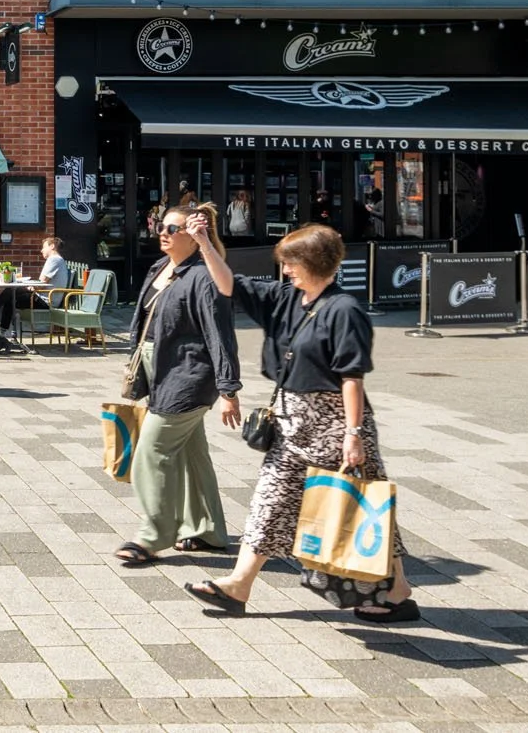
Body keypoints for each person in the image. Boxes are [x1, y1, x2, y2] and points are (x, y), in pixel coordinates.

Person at [192, 224, 420, 624]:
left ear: (314, 263)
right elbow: (229, 284)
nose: (286, 271)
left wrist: (353, 435)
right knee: (269, 501)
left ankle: (398, 592)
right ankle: (238, 586)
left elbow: (351, 376)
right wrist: (205, 244)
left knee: (361, 506)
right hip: (291, 422)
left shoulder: (344, 309)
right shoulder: (284, 298)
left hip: (336, 425)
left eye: (292, 263)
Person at [113, 204, 238, 567]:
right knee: (191, 455)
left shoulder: (203, 277)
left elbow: (220, 335)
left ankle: (153, 536)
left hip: (189, 377)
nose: (162, 232)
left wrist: (229, 390)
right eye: (158, 225)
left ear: (194, 236)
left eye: (171, 227)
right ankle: (207, 531)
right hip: (161, 371)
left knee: (150, 454)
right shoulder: (160, 267)